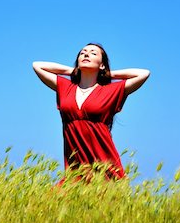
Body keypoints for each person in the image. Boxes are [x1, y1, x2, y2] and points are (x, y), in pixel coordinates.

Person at [32, 43, 150, 185]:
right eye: (83, 53)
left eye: (93, 53)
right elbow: (37, 65)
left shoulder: (111, 91)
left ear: (102, 64)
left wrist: (107, 73)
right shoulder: (65, 87)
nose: (86, 54)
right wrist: (73, 71)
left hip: (105, 167)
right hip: (75, 172)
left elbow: (144, 74)